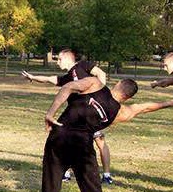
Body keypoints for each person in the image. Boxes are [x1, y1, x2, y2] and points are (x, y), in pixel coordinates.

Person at [39, 76, 173, 192]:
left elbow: (68, 86)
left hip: (59, 138)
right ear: (128, 97)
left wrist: (50, 113)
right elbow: (144, 107)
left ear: (118, 84)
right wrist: (170, 103)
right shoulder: (120, 112)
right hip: (83, 147)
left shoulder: (95, 84)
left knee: (51, 190)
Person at [23, 48, 116, 184]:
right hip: (76, 116)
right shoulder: (67, 77)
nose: (57, 62)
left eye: (59, 59)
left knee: (99, 141)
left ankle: (107, 175)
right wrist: (33, 77)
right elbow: (49, 79)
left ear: (67, 58)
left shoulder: (82, 65)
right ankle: (66, 172)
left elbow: (100, 73)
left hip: (90, 113)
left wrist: (102, 94)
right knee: (66, 140)